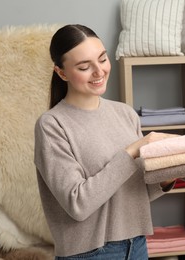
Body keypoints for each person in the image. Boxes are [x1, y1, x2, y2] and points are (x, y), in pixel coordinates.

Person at [34, 24, 176, 260]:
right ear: (62, 73)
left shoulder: (125, 114)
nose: (99, 71)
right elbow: (77, 203)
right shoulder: (52, 125)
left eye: (102, 59)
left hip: (137, 246)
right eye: (84, 67)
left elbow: (133, 192)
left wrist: (168, 176)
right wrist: (131, 151)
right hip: (90, 254)